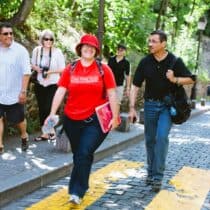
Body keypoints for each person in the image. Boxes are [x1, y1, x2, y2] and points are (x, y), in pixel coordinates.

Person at [45, 34, 119, 204]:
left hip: (96, 120)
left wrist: (115, 116)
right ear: (80, 48)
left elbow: (112, 93)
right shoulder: (70, 69)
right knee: (81, 154)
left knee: (84, 152)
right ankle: (82, 184)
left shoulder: (104, 69)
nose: (88, 49)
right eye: (85, 46)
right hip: (72, 119)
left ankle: (77, 191)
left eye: (92, 47)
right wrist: (52, 113)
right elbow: (60, 91)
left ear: (96, 51)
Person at [129, 30, 195, 192]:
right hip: (150, 106)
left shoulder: (175, 61)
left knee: (162, 137)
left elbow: (191, 79)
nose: (150, 44)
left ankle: (157, 177)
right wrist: (131, 108)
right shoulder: (145, 62)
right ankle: (151, 173)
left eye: (154, 41)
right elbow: (135, 85)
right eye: (149, 41)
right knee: (150, 140)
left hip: (167, 107)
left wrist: (175, 79)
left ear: (163, 44)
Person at [0, 22, 31, 154]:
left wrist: (23, 91)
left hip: (15, 93)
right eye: (5, 33)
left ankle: (24, 135)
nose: (9, 36)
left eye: (11, 33)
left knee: (19, 120)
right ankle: (0, 145)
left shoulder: (20, 50)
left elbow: (26, 72)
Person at [31, 29, 65, 141]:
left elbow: (63, 69)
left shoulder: (57, 52)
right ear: (42, 40)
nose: (48, 41)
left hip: (53, 83)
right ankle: (45, 133)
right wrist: (38, 69)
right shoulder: (37, 51)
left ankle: (51, 131)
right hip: (40, 83)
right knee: (42, 109)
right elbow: (32, 64)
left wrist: (50, 72)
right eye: (46, 39)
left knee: (49, 108)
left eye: (51, 39)